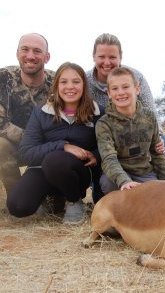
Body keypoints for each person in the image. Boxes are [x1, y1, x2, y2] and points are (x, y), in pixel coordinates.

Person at [6, 62, 104, 224]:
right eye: (64, 82)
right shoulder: (41, 111)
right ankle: (47, 198)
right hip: (42, 170)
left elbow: (107, 145)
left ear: (84, 85)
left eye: (76, 81)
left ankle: (74, 201)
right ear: (56, 85)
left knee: (56, 161)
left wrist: (95, 155)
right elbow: (26, 152)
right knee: (17, 206)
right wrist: (63, 145)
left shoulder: (98, 112)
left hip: (79, 172)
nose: (70, 87)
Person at [86, 33, 165, 171]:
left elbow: (151, 112)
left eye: (112, 57)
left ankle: (150, 185)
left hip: (136, 135)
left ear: (120, 57)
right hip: (100, 138)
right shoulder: (84, 81)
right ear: (94, 57)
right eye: (101, 57)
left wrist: (157, 139)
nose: (107, 62)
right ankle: (99, 185)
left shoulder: (136, 77)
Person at [96, 67, 165, 194]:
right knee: (108, 184)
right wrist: (124, 181)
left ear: (137, 89)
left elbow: (157, 153)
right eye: (115, 89)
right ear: (109, 93)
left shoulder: (149, 116)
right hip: (119, 175)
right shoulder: (104, 123)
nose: (120, 92)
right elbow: (109, 159)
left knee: (159, 195)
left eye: (125, 87)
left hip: (145, 173)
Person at [0, 33, 54, 195]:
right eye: (25, 49)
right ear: (17, 53)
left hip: (47, 147)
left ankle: (54, 195)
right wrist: (31, 139)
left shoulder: (58, 82)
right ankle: (16, 197)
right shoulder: (3, 78)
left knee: (54, 207)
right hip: (16, 145)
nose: (30, 56)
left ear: (47, 57)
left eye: (37, 51)